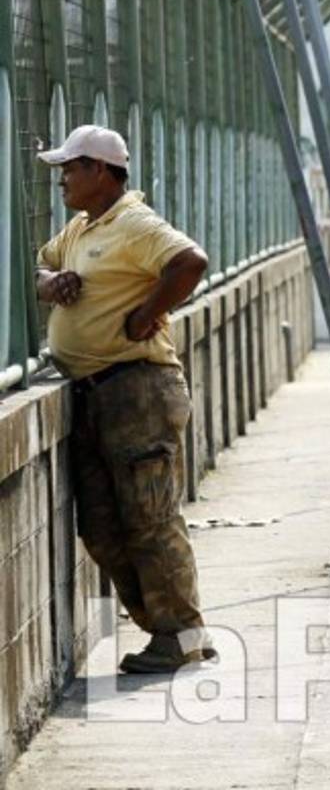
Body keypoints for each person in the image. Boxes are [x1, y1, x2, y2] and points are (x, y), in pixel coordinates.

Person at [33, 125, 214, 674]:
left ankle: (179, 635)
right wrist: (52, 283)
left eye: (71, 166)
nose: (62, 177)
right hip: (96, 394)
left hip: (137, 388)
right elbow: (42, 264)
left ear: (102, 172)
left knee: (151, 518)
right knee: (102, 527)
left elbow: (191, 262)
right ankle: (174, 631)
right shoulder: (82, 229)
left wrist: (144, 314)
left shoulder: (133, 223)